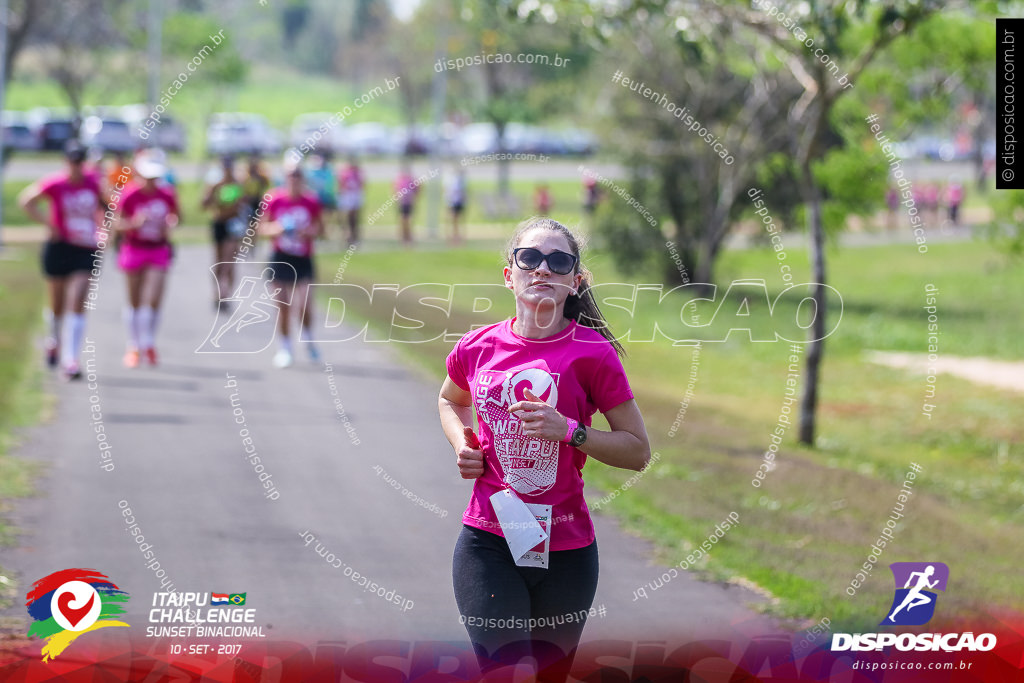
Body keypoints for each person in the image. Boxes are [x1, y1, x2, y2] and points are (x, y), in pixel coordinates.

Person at [438, 217, 651, 680]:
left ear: (575, 282)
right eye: (530, 258)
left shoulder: (592, 354)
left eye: (558, 262)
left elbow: (637, 451)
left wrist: (570, 431)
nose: (542, 270)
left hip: (567, 551)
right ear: (509, 273)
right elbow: (449, 400)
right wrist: (463, 443)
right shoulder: (477, 347)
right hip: (488, 542)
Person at [19, 141, 107, 380]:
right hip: (60, 246)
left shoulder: (93, 182)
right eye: (73, 162)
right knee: (57, 304)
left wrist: (104, 229)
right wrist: (49, 224)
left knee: (78, 298)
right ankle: (54, 340)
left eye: (80, 162)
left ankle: (72, 359)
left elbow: (108, 207)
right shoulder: (55, 183)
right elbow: (26, 200)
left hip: (85, 247)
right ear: (66, 162)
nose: (77, 166)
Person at [258, 163, 325, 368]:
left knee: (303, 304)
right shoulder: (274, 199)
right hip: (280, 257)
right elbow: (261, 228)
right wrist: (277, 229)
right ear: (285, 178)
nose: (294, 179)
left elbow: (321, 229)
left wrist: (309, 233)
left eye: (297, 175)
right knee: (282, 305)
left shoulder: (311, 201)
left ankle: (308, 337)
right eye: (290, 175)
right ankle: (285, 347)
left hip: (303, 259)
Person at [116, 154, 180, 367]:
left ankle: (148, 342)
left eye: (155, 178)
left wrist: (170, 223)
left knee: (154, 296)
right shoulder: (130, 194)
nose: (151, 182)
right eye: (148, 177)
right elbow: (115, 222)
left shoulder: (166, 194)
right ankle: (133, 345)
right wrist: (134, 224)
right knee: (134, 300)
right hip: (134, 248)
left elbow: (176, 216)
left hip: (158, 249)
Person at [202, 156, 245, 309]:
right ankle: (217, 292)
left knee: (229, 260)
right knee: (219, 261)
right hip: (219, 224)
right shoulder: (216, 185)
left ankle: (226, 293)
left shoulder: (237, 185)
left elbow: (240, 206)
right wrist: (211, 194)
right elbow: (205, 204)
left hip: (232, 226)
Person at [306, 151, 338, 236]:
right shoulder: (311, 172)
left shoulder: (328, 171)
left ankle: (324, 232)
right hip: (316, 199)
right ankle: (321, 233)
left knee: (327, 216)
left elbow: (331, 185)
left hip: (326, 198)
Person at [337, 158, 364, 246]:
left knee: (354, 219)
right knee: (347, 218)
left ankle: (353, 236)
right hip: (348, 197)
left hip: (354, 197)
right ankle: (348, 236)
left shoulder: (357, 173)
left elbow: (362, 184)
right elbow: (341, 184)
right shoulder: (346, 173)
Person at [394, 163, 419, 245]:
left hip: (409, 202)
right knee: (402, 220)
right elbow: (395, 190)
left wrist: (415, 199)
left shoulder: (412, 180)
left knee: (409, 220)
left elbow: (417, 190)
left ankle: (409, 236)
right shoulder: (399, 179)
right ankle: (403, 237)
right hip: (402, 202)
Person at [446, 167, 467, 245]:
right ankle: (453, 238)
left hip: (459, 203)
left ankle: (458, 238)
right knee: (453, 221)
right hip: (453, 202)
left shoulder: (461, 181)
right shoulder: (452, 181)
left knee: (459, 221)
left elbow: (463, 193)